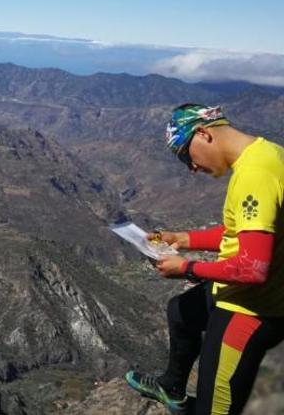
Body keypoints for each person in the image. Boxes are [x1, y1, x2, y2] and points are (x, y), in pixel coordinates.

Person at [125, 103, 284, 415]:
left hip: (249, 310)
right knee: (181, 312)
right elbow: (245, 231)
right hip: (250, 296)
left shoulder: (254, 176)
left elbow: (253, 267)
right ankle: (172, 385)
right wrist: (183, 239)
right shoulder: (268, 153)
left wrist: (187, 268)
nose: (192, 168)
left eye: (186, 156)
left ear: (203, 134)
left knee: (215, 409)